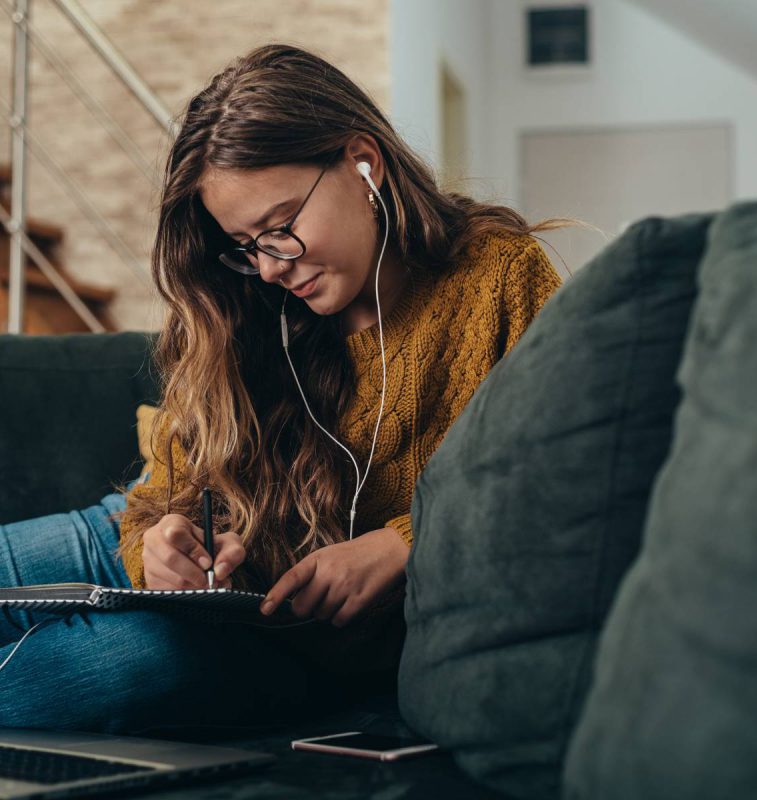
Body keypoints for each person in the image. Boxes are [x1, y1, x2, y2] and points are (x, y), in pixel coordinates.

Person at [0, 43, 567, 735]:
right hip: (120, 549)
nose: (269, 268)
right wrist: (158, 546)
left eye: (281, 228)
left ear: (365, 162)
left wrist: (405, 546)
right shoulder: (246, 307)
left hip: (275, 643)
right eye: (247, 244)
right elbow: (159, 496)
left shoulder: (498, 276)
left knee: (122, 667)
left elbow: (556, 478)